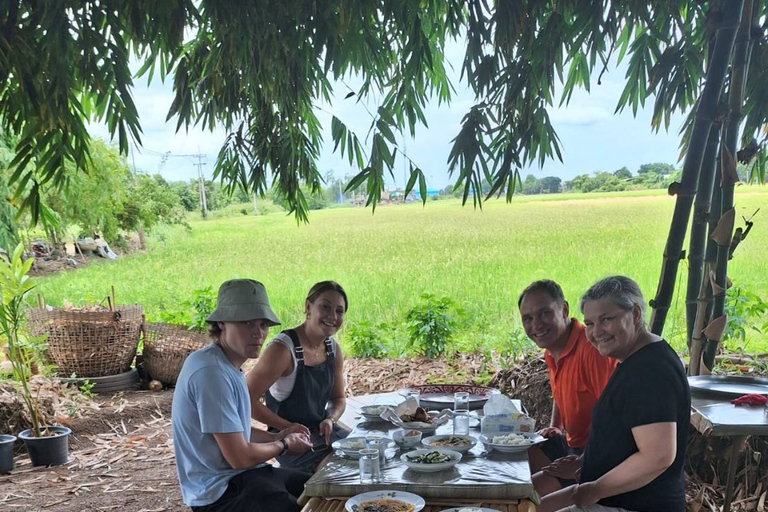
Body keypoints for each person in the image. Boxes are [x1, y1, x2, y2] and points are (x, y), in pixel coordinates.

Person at [539, 276, 691, 512]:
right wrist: (584, 463)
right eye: (589, 324)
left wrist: (595, 488)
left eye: (606, 320)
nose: (596, 332)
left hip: (631, 505)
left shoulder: (649, 371)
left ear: (636, 314)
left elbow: (658, 456)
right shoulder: (634, 359)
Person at [171, 279, 312, 512]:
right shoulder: (211, 373)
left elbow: (235, 433)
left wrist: (282, 434)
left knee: (315, 488)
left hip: (242, 477)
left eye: (263, 324)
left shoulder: (225, 363)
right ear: (221, 323)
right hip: (219, 493)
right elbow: (240, 457)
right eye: (247, 323)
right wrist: (284, 444)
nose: (258, 333)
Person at [518, 280, 617, 496]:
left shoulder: (591, 351)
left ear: (564, 310)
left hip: (597, 456)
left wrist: (582, 462)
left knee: (523, 496)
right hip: (571, 444)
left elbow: (614, 417)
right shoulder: (553, 349)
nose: (536, 325)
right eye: (528, 318)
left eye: (544, 313)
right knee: (509, 458)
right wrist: (556, 426)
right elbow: (561, 388)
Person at [247, 280, 349, 472]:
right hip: (291, 442)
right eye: (325, 307)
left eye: (339, 311)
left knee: (372, 454)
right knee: (340, 473)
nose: (332, 316)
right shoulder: (283, 349)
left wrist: (331, 419)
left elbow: (339, 398)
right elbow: (246, 400)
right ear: (308, 307)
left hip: (323, 432)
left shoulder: (333, 348)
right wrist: (287, 428)